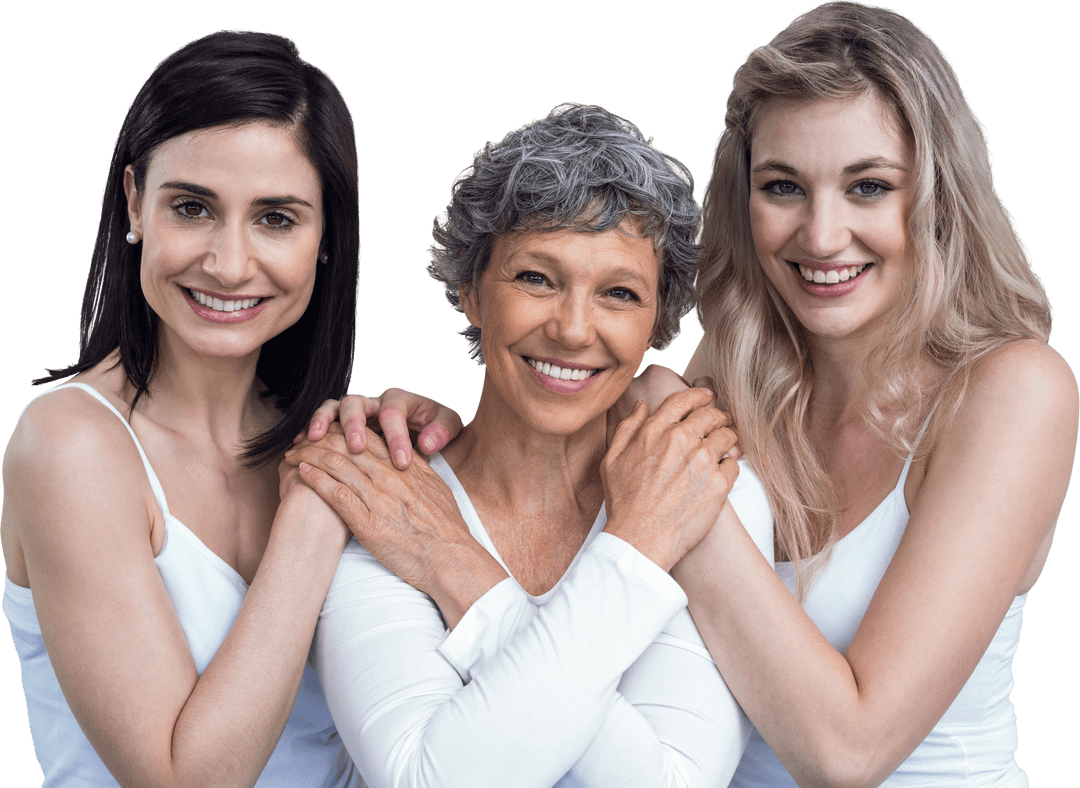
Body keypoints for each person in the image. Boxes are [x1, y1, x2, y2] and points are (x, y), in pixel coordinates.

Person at [619, 2, 1076, 786]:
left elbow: (848, 752)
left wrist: (664, 442)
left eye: (867, 186)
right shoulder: (729, 372)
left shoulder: (1012, 392)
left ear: (937, 196)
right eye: (784, 187)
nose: (822, 236)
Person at [0, 30, 455, 788]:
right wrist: (317, 513)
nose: (229, 263)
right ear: (134, 203)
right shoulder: (72, 446)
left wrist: (442, 469)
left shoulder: (332, 441)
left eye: (276, 218)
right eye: (193, 208)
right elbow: (182, 779)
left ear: (324, 240)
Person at [287, 103, 774, 787]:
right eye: (536, 279)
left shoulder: (700, 481)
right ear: (471, 292)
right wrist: (637, 558)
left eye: (620, 293)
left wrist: (457, 569)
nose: (575, 330)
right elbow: (429, 778)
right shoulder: (383, 489)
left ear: (657, 323)